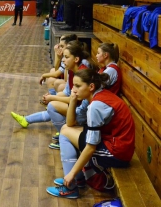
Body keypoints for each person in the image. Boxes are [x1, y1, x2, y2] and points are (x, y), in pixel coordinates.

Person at [46, 68, 135, 198]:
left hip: (117, 152)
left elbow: (90, 147)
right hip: (112, 142)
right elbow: (71, 123)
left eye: (77, 86)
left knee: (65, 133)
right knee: (67, 129)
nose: (74, 89)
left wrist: (71, 173)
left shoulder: (96, 105)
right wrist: (72, 100)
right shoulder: (95, 95)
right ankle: (78, 178)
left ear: (91, 86)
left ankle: (71, 186)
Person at [10, 41, 93, 137]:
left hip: (83, 114)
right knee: (53, 104)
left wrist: (52, 98)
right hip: (76, 106)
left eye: (66, 57)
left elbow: (73, 99)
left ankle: (65, 135)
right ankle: (26, 120)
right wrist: (52, 96)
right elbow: (67, 93)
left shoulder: (81, 74)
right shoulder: (72, 70)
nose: (63, 60)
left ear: (76, 59)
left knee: (52, 106)